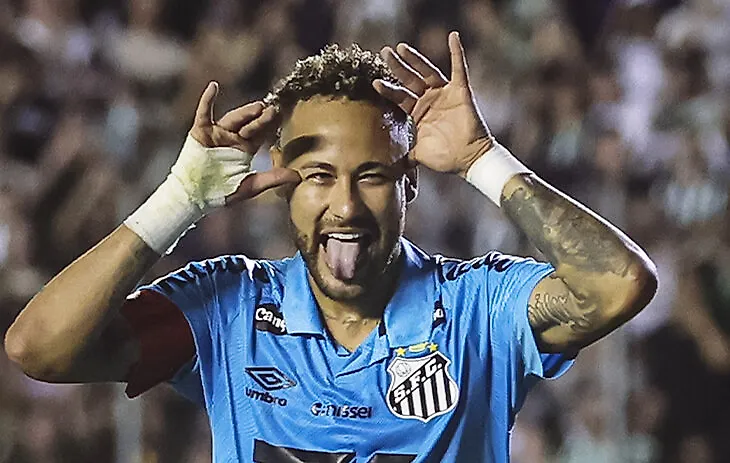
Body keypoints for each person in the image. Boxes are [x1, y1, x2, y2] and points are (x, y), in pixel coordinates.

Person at [4, 32, 657, 462]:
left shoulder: (478, 307)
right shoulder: (229, 307)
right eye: (318, 175)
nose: (345, 207)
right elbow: (38, 347)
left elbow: (619, 285)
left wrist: (483, 159)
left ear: (409, 185)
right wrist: (177, 201)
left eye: (372, 175)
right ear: (279, 183)